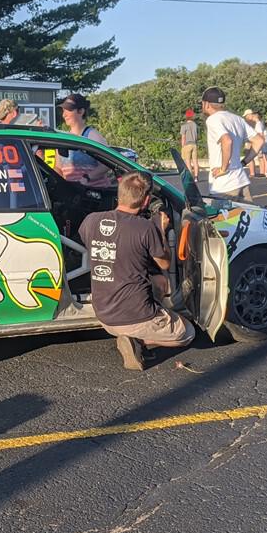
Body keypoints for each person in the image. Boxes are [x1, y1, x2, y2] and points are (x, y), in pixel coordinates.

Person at [78, 171, 195, 370]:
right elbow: (165, 263)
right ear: (146, 200)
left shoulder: (91, 221)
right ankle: (138, 343)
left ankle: (141, 329)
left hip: (104, 313)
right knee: (188, 333)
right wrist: (160, 230)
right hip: (133, 316)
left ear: (119, 193)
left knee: (159, 281)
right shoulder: (145, 228)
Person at [201, 87, 263, 201]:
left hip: (224, 186)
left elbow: (227, 140)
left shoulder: (213, 119)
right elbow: (259, 141)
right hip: (241, 181)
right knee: (250, 217)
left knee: (222, 218)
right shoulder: (237, 119)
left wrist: (223, 169)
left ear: (207, 104)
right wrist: (244, 162)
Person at [55, 93, 112, 188]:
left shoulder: (91, 135)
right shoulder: (63, 138)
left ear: (81, 111)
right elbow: (58, 167)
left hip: (95, 194)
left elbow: (107, 163)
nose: (64, 115)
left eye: (69, 110)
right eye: (63, 111)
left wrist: (87, 178)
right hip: (73, 194)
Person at [243, 109, 267, 178]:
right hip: (255, 142)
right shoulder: (257, 123)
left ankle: (264, 172)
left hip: (258, 142)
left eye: (246, 116)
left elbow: (260, 134)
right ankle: (260, 173)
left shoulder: (258, 123)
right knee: (259, 157)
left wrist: (259, 142)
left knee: (262, 157)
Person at [179, 108, 199, 179]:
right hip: (194, 144)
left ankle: (191, 177)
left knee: (188, 162)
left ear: (186, 116)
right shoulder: (195, 125)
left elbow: (183, 137)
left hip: (187, 145)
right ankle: (196, 177)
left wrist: (182, 146)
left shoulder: (184, 126)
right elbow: (197, 136)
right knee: (195, 161)